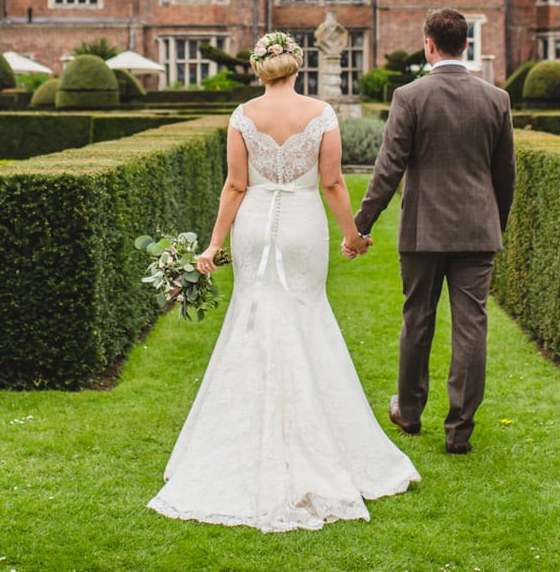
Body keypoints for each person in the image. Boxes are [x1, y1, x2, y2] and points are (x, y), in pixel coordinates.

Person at [148, 31, 419, 532]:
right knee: (306, 313)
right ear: (297, 69)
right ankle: (318, 439)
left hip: (253, 225)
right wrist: (354, 236)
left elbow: (235, 185)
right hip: (301, 226)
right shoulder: (321, 114)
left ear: (259, 69)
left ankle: (241, 440)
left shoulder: (242, 116)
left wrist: (212, 246)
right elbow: (333, 183)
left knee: (252, 313)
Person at [353, 8, 516, 455]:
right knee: (471, 329)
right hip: (477, 233)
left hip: (423, 231)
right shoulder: (496, 99)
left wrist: (360, 225)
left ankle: (408, 412)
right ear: (466, 45)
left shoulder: (410, 96)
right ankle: (460, 431)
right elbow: (506, 177)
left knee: (417, 320)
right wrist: (492, 227)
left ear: (429, 44)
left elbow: (388, 169)